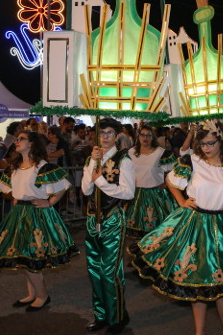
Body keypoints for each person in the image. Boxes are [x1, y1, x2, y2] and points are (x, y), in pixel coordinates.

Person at [130, 120, 223, 335]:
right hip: (194, 224)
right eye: (203, 144)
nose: (206, 148)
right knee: (196, 282)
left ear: (221, 141)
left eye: (210, 143)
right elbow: (171, 180)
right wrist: (180, 200)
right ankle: (200, 332)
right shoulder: (193, 159)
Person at [0, 131, 78, 310]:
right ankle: (32, 293)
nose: (17, 141)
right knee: (22, 258)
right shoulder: (15, 167)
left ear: (32, 144)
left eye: (22, 139)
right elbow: (6, 189)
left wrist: (49, 202)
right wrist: (15, 197)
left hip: (36, 216)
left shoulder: (42, 166)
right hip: (18, 215)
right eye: (17, 139)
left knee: (30, 258)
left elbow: (62, 187)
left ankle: (42, 296)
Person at [81, 118, 134, 334]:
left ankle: (117, 317)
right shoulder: (91, 159)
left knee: (109, 272)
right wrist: (93, 164)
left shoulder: (125, 160)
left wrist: (102, 182)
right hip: (92, 219)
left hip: (112, 219)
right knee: (94, 270)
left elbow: (128, 193)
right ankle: (101, 315)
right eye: (102, 132)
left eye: (110, 133)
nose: (105, 137)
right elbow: (85, 190)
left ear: (117, 136)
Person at [125, 125, 177, 238]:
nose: (145, 138)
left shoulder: (161, 152)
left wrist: (165, 184)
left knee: (157, 232)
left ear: (153, 137)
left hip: (156, 195)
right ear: (138, 136)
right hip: (136, 194)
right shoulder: (131, 152)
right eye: (143, 135)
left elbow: (173, 171)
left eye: (148, 135)